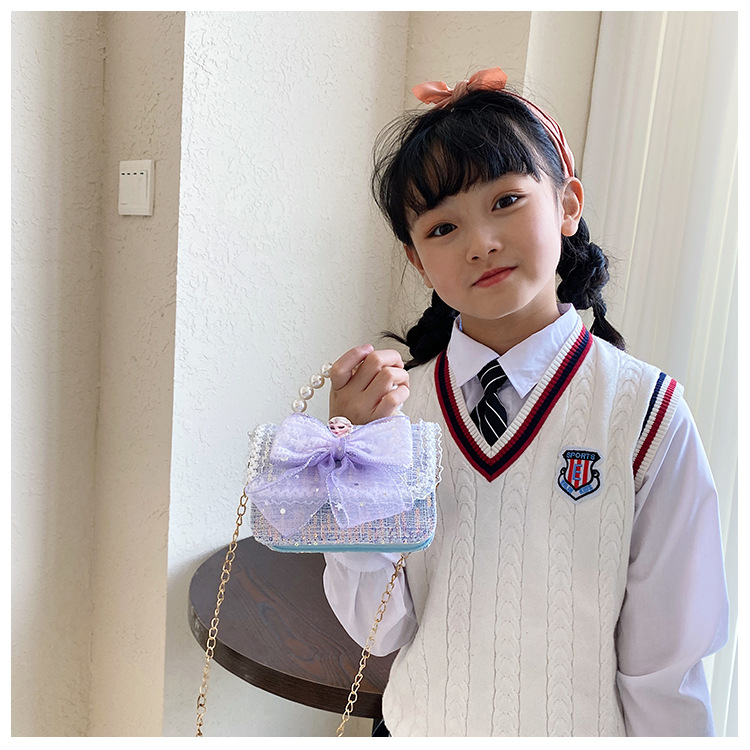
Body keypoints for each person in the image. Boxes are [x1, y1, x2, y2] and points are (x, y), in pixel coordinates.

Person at [322, 67, 728, 737]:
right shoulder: (397, 415)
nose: (480, 242)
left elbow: (667, 664)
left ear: (568, 204)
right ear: (417, 260)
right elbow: (377, 629)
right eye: (442, 228)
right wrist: (355, 455)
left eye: (506, 200)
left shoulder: (645, 413)